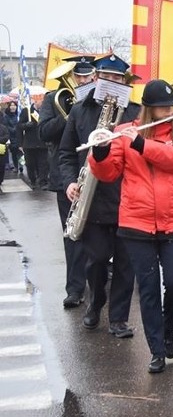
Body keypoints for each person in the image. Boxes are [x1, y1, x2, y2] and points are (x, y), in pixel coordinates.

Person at [89, 79, 173, 373]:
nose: (170, 108)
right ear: (149, 108)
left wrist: (140, 143)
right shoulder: (124, 133)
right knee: (148, 289)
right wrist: (99, 153)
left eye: (171, 105)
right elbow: (109, 173)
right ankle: (157, 350)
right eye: (164, 105)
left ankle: (168, 324)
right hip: (136, 223)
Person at [58, 53, 140, 337]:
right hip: (92, 199)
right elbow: (67, 152)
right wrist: (69, 181)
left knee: (126, 263)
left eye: (118, 78)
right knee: (96, 261)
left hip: (127, 197)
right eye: (107, 77)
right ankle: (96, 303)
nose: (113, 82)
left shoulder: (135, 112)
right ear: (96, 78)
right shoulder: (80, 111)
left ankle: (118, 319)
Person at [39, 56, 96, 308]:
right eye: (79, 77)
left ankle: (98, 275)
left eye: (87, 76)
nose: (83, 80)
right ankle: (74, 288)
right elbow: (43, 132)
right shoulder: (55, 99)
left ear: (95, 76)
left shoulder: (102, 99)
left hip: (96, 172)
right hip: (67, 174)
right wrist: (69, 114)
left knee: (101, 229)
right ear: (73, 78)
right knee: (72, 231)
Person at [17, 101, 50, 189]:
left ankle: (43, 181)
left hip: (42, 143)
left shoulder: (45, 111)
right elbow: (19, 126)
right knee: (30, 164)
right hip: (29, 144)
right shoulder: (26, 111)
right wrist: (25, 125)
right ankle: (33, 180)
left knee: (43, 164)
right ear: (35, 101)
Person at [3, 102, 22, 173]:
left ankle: (21, 166)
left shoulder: (19, 114)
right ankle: (16, 166)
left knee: (21, 153)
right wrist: (15, 129)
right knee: (14, 153)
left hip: (20, 137)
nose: (13, 107)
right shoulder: (6, 116)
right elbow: (6, 127)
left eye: (14, 105)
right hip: (12, 137)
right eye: (11, 105)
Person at [0, 119, 9, 193]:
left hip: (1, 148)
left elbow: (6, 136)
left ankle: (0, 179)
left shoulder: (3, 127)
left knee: (2, 165)